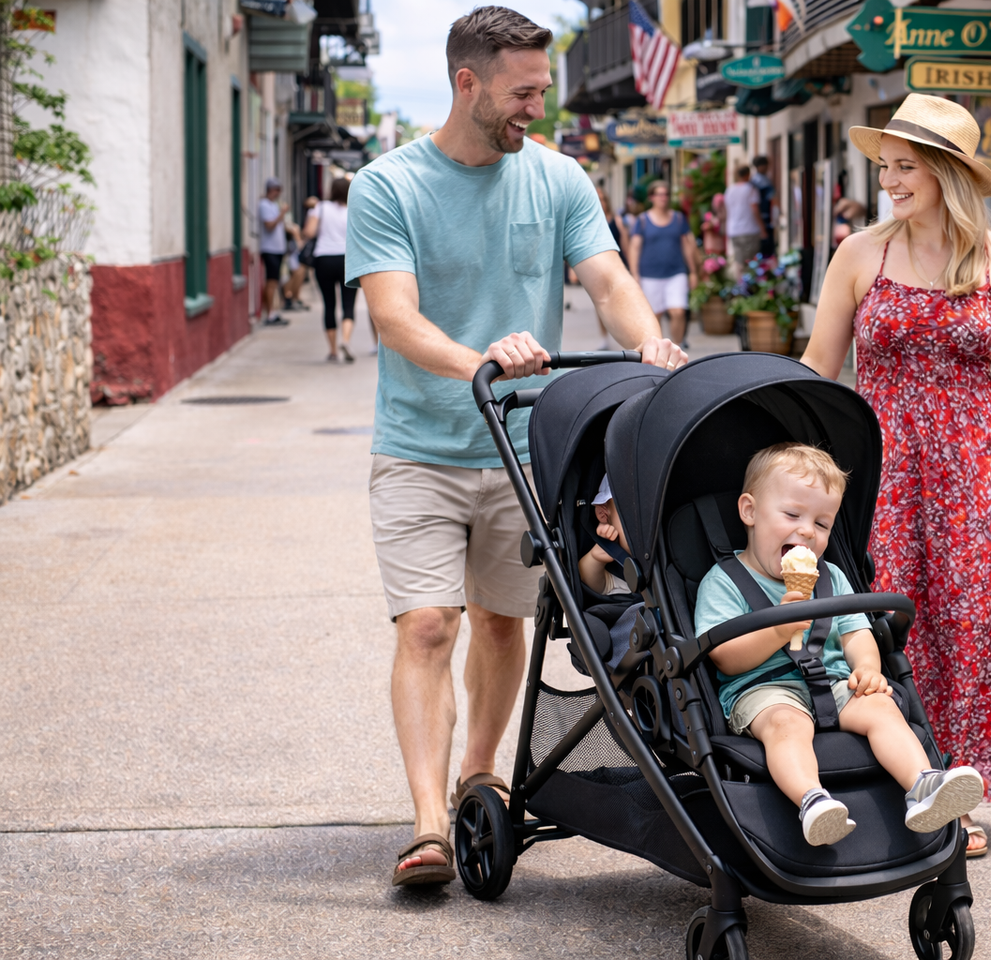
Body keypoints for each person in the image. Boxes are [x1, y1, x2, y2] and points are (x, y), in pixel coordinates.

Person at [346, 6, 686, 887]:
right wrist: (482, 363)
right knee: (427, 624)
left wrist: (648, 338)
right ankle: (427, 824)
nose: (538, 105)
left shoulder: (559, 178)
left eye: (544, 88)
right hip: (420, 446)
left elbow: (608, 279)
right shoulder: (389, 185)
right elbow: (393, 315)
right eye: (524, 90)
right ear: (469, 83)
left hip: (524, 450)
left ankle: (480, 777)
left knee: (502, 623)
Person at [801, 94, 991, 858]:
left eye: (905, 167)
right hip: (880, 467)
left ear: (948, 172)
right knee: (887, 621)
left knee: (975, 623)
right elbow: (819, 368)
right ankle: (898, 774)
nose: (889, 180)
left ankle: (959, 787)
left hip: (976, 468)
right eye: (884, 166)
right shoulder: (860, 254)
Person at [694, 443, 985, 847]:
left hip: (833, 683)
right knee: (786, 726)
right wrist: (779, 628)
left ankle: (924, 786)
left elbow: (856, 632)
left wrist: (867, 667)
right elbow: (725, 657)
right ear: (750, 512)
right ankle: (811, 800)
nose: (807, 531)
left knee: (882, 705)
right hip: (763, 690)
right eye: (792, 515)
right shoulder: (723, 581)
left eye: (823, 523)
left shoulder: (830, 576)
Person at [627, 180, 698, 346]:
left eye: (666, 194)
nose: (663, 198)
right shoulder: (643, 220)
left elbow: (687, 246)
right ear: (651, 197)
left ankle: (678, 346)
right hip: (650, 274)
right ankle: (658, 351)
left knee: (678, 311)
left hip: (676, 272)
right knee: (654, 315)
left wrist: (693, 272)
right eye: (659, 194)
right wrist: (634, 274)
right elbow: (634, 248)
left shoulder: (678, 218)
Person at [305, 180, 356, 363]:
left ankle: (333, 350)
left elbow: (309, 232)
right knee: (348, 304)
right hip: (347, 260)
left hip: (324, 259)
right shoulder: (352, 210)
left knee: (329, 304)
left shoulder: (321, 207)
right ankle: (346, 340)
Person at [595, 187, 627, 349]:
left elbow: (625, 243)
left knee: (621, 302)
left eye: (602, 199)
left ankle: (624, 337)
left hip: (617, 266)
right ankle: (604, 338)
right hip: (598, 269)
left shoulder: (616, 220)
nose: (600, 202)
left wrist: (629, 267)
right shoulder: (590, 221)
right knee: (601, 303)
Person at [256, 179, 289, 327]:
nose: (279, 193)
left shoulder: (273, 205)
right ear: (271, 190)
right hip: (269, 249)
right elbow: (269, 225)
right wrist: (282, 214)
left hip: (278, 249)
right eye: (277, 190)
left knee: (274, 281)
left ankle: (271, 311)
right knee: (271, 281)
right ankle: (269, 313)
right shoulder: (264, 205)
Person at [723, 165, 764, 276]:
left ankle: (740, 286)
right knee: (752, 261)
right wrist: (762, 228)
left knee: (739, 261)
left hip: (734, 230)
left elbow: (727, 210)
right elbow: (755, 210)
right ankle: (751, 287)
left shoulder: (729, 190)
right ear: (747, 175)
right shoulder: (750, 189)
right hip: (750, 229)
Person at [283, 196, 319, 311]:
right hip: (294, 248)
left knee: (299, 273)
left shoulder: (312, 213)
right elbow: (307, 232)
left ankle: (295, 297)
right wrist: (299, 240)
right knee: (297, 273)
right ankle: (290, 297)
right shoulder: (313, 213)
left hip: (297, 247)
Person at [750, 156, 777, 257]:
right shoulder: (761, 181)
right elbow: (771, 197)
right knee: (766, 246)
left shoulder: (756, 180)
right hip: (764, 215)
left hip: (764, 216)